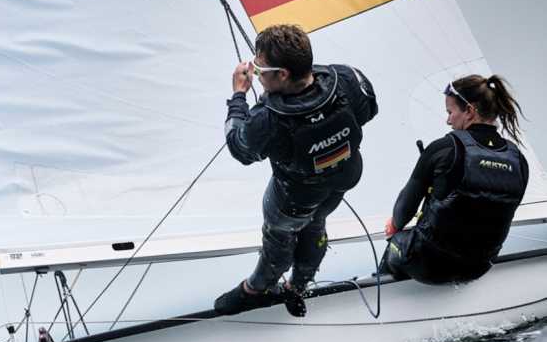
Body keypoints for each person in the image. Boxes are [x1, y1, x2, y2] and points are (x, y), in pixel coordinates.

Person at [214, 24, 378, 316]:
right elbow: (369, 110)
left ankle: (257, 288)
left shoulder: (267, 119)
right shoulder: (347, 78)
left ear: (283, 74)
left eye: (260, 68)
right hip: (343, 179)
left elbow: (240, 149)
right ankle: (298, 287)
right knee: (316, 223)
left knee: (279, 237)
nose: (256, 73)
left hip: (293, 199)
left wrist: (239, 95)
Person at [381, 74, 528, 284]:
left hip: (428, 265)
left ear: (469, 110)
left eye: (450, 112)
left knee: (396, 241)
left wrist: (395, 224)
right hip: (479, 267)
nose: (448, 120)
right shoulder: (518, 160)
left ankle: (384, 300)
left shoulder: (444, 148)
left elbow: (405, 208)